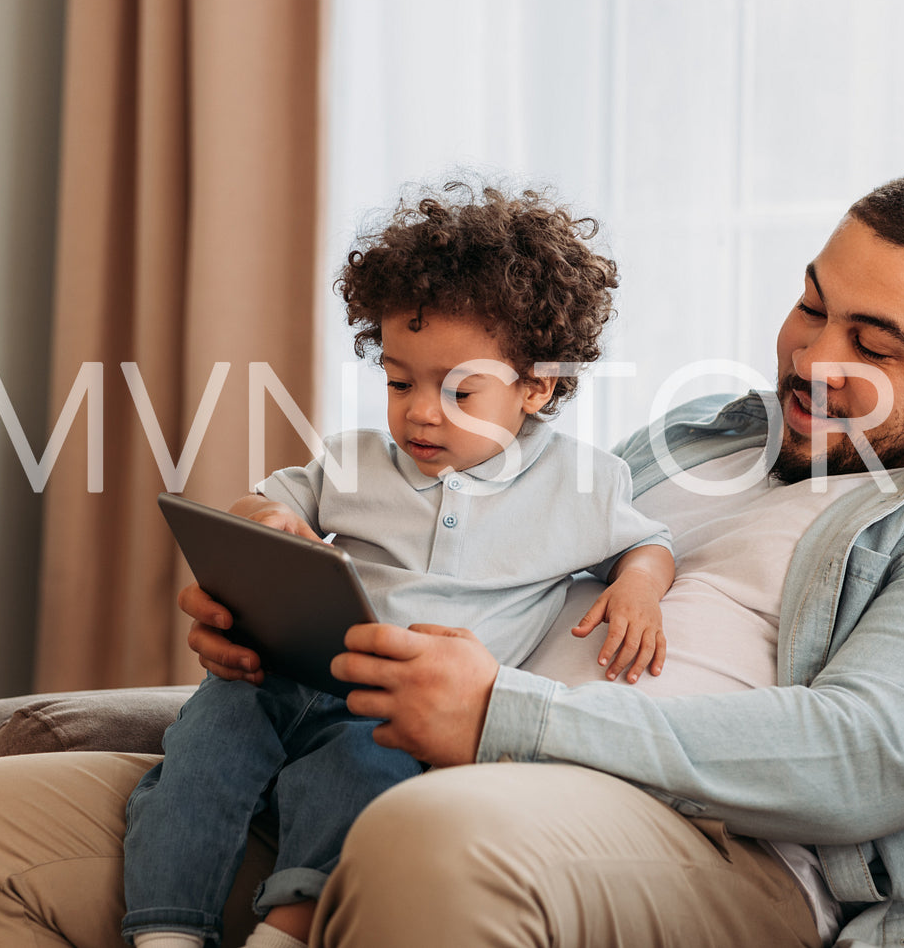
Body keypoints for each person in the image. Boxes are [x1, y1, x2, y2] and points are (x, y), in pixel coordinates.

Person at [0, 169, 904, 948]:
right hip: (389, 765)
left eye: (869, 341)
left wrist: (506, 722)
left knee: (440, 841)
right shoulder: (685, 436)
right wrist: (273, 604)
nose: (803, 352)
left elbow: (864, 759)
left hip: (713, 851)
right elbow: (459, 550)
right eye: (809, 301)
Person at [122, 183, 673, 948]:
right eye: (398, 380)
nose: (419, 410)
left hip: (389, 705)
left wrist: (639, 584)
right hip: (286, 669)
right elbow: (260, 505)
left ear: (537, 386)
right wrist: (272, 522)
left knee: (359, 775)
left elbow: (646, 543)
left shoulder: (581, 483)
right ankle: (166, 930)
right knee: (202, 741)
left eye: (458, 390)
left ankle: (288, 928)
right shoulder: (349, 463)